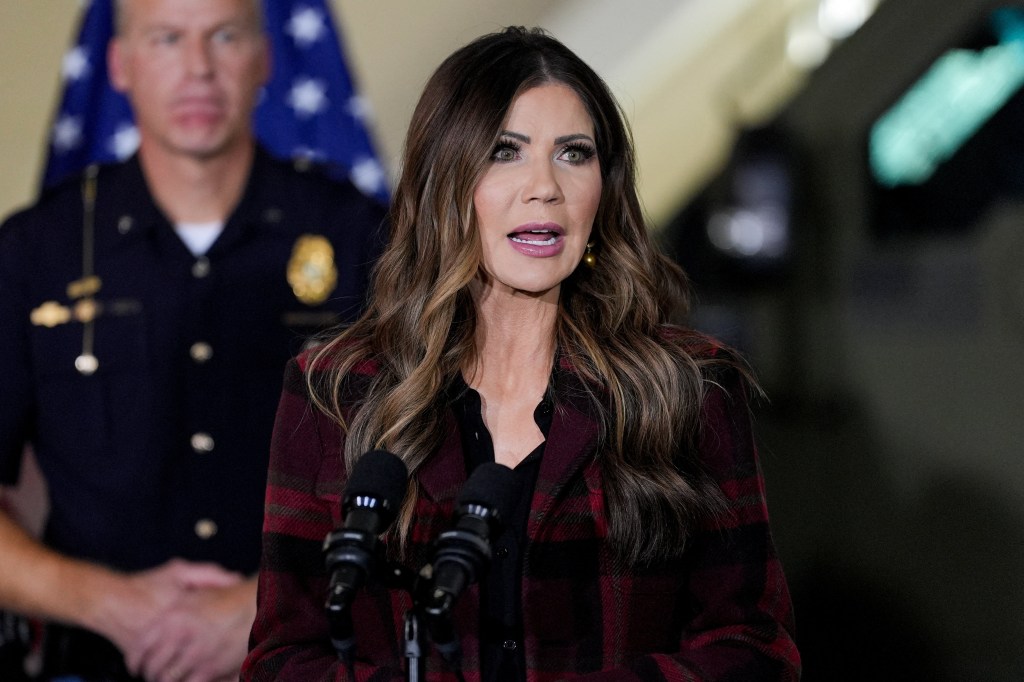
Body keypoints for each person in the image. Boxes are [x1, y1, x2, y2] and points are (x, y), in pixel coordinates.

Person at [242, 26, 800, 682]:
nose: (544, 187)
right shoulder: (333, 390)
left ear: (604, 188)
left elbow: (754, 649)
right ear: (446, 181)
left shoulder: (690, 389)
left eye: (574, 154)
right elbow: (282, 659)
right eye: (505, 151)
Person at [0, 0, 386, 679]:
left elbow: (432, 473)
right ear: (120, 64)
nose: (199, 69)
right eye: (168, 39)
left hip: (316, 658)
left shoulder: (362, 237)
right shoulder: (37, 252)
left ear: (265, 57)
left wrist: (265, 607)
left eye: (225, 37)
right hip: (99, 660)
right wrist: (116, 607)